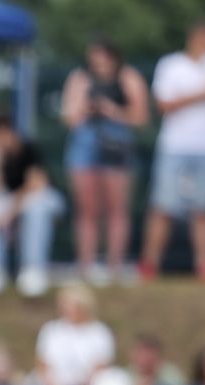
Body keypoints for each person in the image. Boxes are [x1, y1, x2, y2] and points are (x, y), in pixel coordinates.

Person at [141, 22, 205, 284]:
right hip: (175, 146)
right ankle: (150, 264)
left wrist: (191, 97)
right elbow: (165, 104)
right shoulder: (171, 65)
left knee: (203, 209)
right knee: (163, 207)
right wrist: (203, 93)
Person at [60, 40, 148, 286]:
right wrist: (85, 108)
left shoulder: (128, 77)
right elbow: (68, 116)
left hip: (117, 143)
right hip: (85, 143)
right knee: (86, 209)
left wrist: (114, 111)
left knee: (116, 208)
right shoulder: (80, 78)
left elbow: (141, 116)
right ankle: (86, 266)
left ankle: (115, 267)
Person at [0, 114, 62, 300]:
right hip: (14, 201)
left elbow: (36, 184)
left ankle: (33, 268)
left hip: (43, 198)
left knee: (35, 209)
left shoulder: (29, 148)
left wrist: (11, 212)